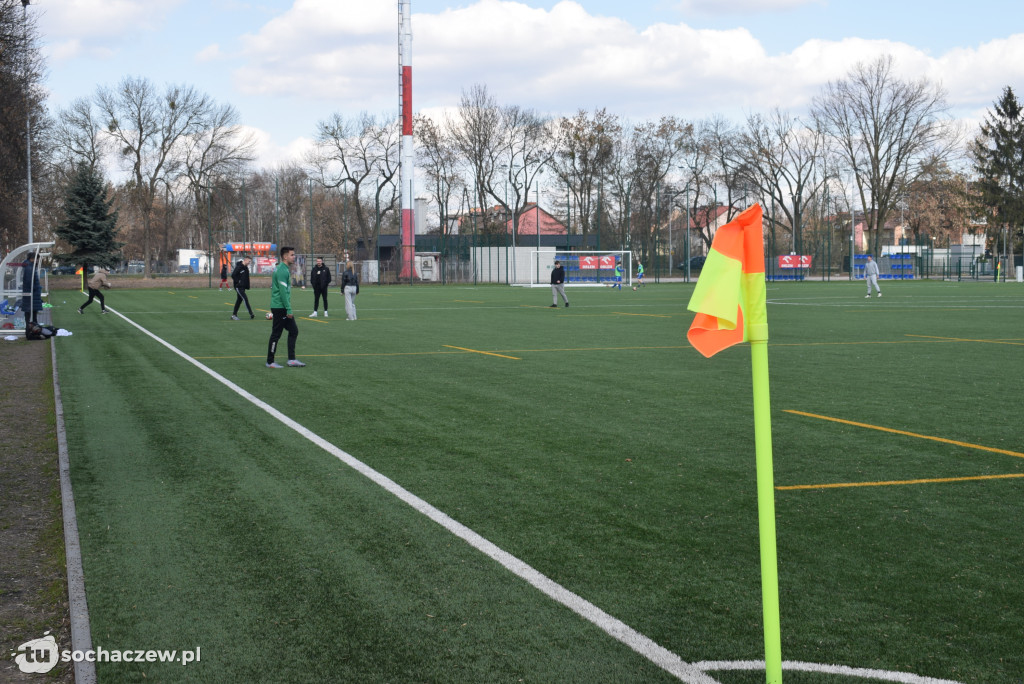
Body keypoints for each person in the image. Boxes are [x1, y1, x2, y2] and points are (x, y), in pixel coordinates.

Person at [266, 247, 305, 368]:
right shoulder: (282, 270)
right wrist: (288, 309)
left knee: (293, 331)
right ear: (285, 256)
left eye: (294, 255)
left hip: (281, 306)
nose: (294, 257)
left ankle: (291, 359)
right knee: (276, 334)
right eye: (292, 255)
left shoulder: (283, 269)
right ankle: (270, 361)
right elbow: (283, 292)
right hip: (280, 307)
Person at [21, 252, 43, 324]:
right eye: (37, 259)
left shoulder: (30, 266)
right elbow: (29, 281)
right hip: (31, 293)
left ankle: (33, 324)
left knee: (32, 310)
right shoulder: (29, 267)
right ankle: (30, 326)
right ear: (32, 258)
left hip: (32, 292)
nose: (37, 260)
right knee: (29, 310)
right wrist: (35, 288)